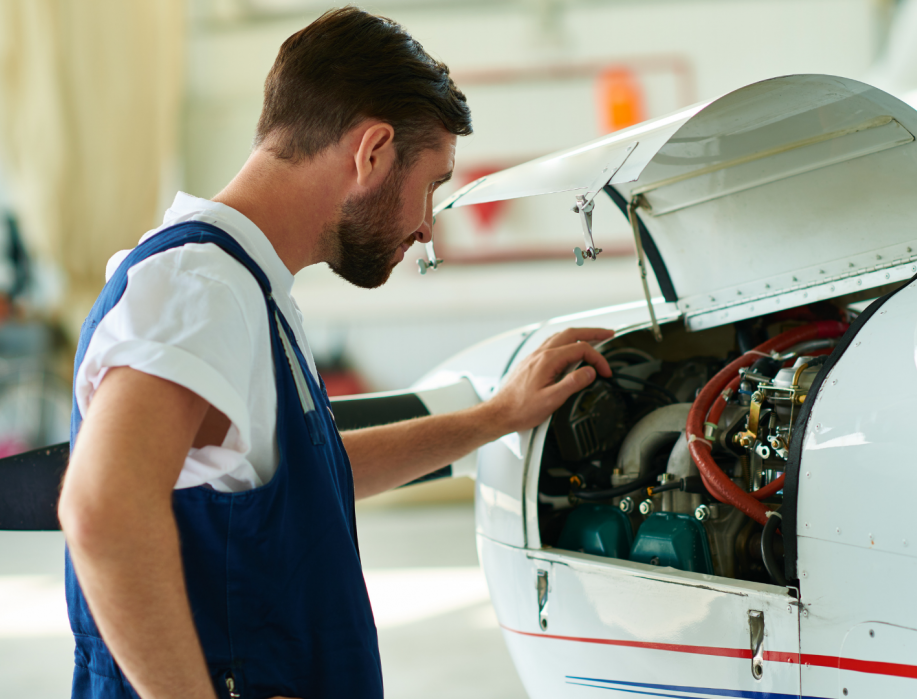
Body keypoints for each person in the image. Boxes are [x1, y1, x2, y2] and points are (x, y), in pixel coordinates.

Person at [57, 7, 613, 699]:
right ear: (372, 151)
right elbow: (104, 511)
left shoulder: (246, 286)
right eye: (431, 184)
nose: (425, 225)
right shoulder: (198, 287)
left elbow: (305, 482)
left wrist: (495, 416)